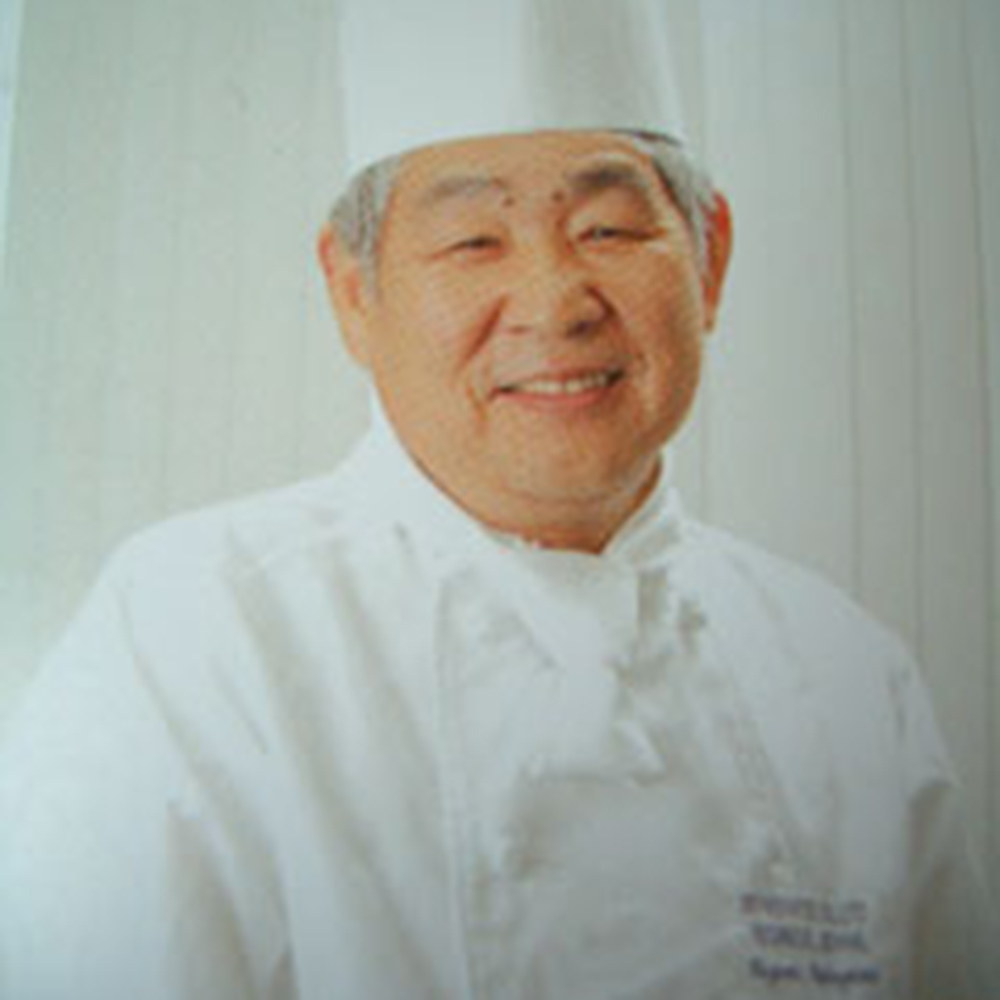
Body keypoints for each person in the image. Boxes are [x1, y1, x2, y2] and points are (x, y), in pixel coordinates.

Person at [1, 2, 997, 998]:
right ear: (352, 291)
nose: (555, 302)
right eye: (473, 240)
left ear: (709, 258)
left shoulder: (850, 677)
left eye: (607, 228)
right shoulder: (193, 636)